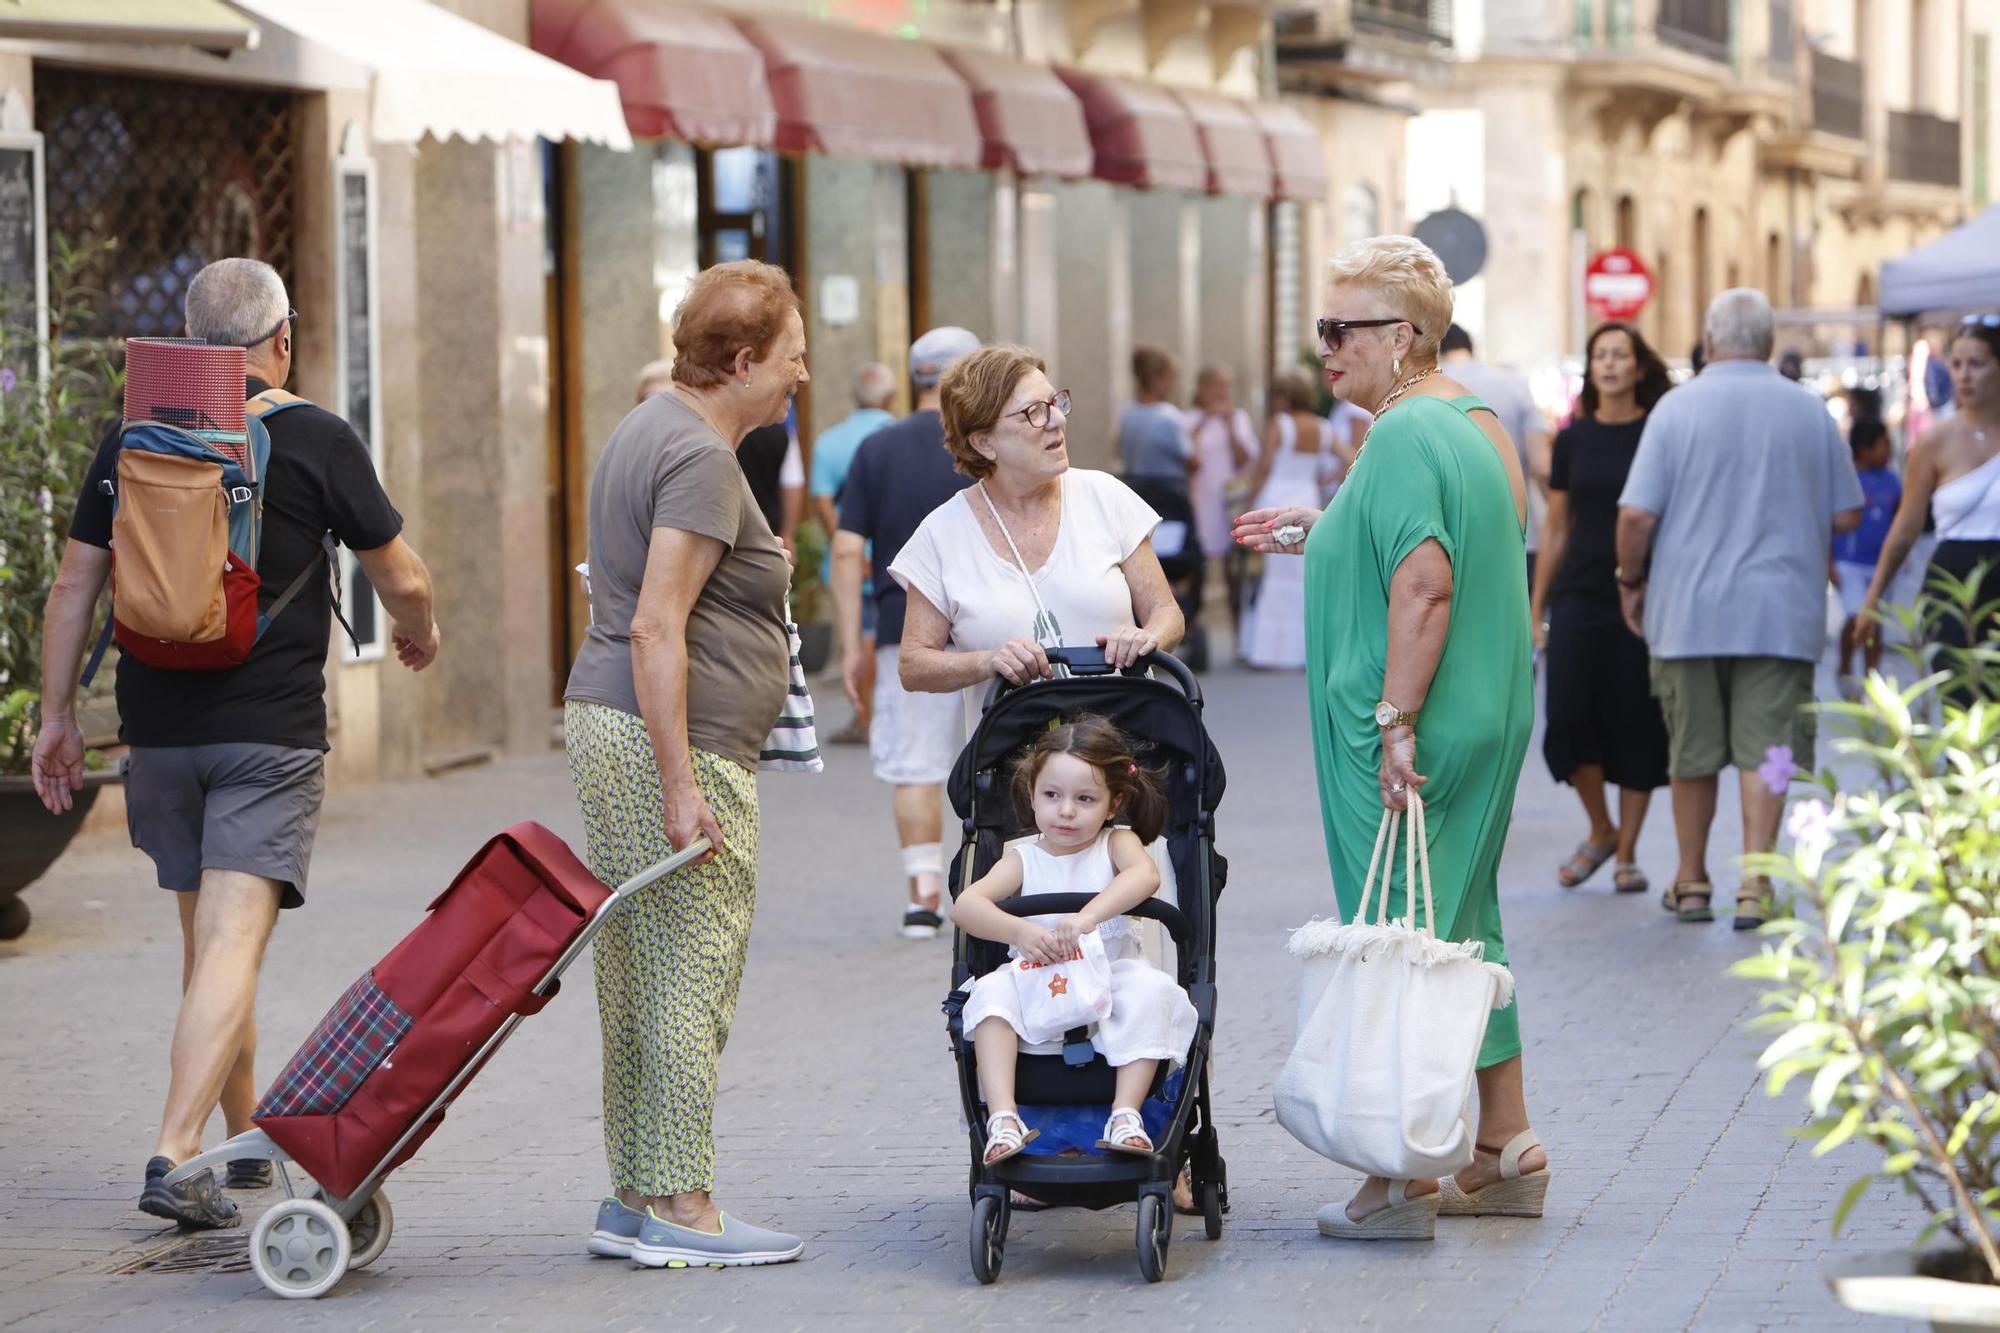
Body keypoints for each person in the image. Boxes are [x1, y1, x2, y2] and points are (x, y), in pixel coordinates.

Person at [31, 258, 439, 1229]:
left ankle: (242, 1148)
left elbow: (72, 587)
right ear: (282, 339)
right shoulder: (314, 438)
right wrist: (418, 632)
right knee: (230, 945)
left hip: (160, 735)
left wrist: (55, 717)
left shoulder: (132, 431)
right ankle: (174, 1149)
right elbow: (403, 575)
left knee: (211, 946)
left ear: (184, 336)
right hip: (267, 735)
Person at [1234, 234, 1546, 1242]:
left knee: (1397, 940)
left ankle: (1394, 1174)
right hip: (1482, 712)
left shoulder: (1404, 433)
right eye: (1317, 328)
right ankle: (1503, 1148)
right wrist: (1323, 527)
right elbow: (1459, 533)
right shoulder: (1465, 417)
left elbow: (1424, 578)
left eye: (1341, 329)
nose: (1323, 348)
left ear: (1404, 334)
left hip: (1418, 722)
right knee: (1458, 923)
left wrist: (1393, 719)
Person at [564, 258, 807, 1269]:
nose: (800, 376)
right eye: (791, 358)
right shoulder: (703, 457)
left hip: (618, 724)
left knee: (638, 967)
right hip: (674, 740)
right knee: (684, 971)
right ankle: (681, 1205)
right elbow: (656, 626)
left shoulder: (651, 424)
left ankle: (632, 1196)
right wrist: (679, 786)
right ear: (741, 360)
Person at [1614, 289, 1863, 928]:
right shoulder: (1807, 410)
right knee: (1770, 749)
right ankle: (1757, 883)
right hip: (1780, 610)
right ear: (1769, 340)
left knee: (1691, 750)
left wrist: (1629, 579)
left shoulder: (1675, 408)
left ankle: (1692, 881)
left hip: (1688, 609)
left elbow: (1637, 514)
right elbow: (1846, 512)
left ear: (1708, 337)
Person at [890, 345, 1185, 740]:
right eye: (1035, 412)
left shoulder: (1105, 496)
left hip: (1125, 758)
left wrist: (1146, 638)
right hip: (1011, 776)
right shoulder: (943, 533)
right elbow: (913, 664)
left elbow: (1167, 612)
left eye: (1056, 402)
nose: (1058, 420)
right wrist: (989, 661)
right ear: (984, 442)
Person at [952, 716, 1197, 1163]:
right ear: (1032, 796)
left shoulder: (1115, 843)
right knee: (988, 993)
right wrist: (1020, 930)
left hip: (1109, 978)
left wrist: (1088, 917)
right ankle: (1003, 1118)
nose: (1066, 811)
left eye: (1084, 799)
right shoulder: (1024, 857)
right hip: (1040, 976)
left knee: (1155, 990)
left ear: (1111, 803)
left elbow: (1145, 876)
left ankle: (1126, 1113)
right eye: (1052, 796)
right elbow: (967, 906)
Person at [831, 327, 981, 939]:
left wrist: (851, 643)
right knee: (1003, 761)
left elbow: (846, 551)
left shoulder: (878, 448)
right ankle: (994, 888)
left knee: (916, 768)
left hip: (903, 633)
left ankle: (923, 897)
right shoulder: (986, 444)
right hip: (991, 634)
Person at [1529, 322, 1673, 896]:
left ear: (1639, 367)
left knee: (1637, 718)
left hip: (1644, 592)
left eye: (1621, 355)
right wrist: (1534, 606)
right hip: (1579, 592)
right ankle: (1601, 827)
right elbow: (1557, 527)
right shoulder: (1572, 439)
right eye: (1601, 356)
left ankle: (1628, 854)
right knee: (1566, 716)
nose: (1610, 364)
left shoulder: (1657, 433)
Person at [1859, 315, 2000, 700]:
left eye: (1977, 364)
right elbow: (1906, 525)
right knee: (1961, 702)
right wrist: (1872, 602)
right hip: (1953, 584)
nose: (1964, 375)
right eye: (1956, 365)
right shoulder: (1935, 441)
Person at [811, 362, 898, 744]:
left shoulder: (829, 442)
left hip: (847, 557)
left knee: (861, 634)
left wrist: (848, 542)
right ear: (891, 397)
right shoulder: (898, 438)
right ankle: (877, 714)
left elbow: (822, 500)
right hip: (896, 558)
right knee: (882, 637)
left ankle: (864, 716)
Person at [1236, 374, 1345, 670]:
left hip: (1275, 499)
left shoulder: (1280, 424)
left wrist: (1248, 502)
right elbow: (1350, 458)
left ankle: (1271, 650)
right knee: (1302, 573)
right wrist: (1324, 481)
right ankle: (1303, 651)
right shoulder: (1323, 427)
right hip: (1305, 497)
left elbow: (1265, 465)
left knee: (1273, 574)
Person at [1441, 325, 1551, 587]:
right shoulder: (1514, 382)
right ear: (1471, 348)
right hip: (1518, 535)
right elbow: (1541, 465)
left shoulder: (1426, 386)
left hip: (1450, 539)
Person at [1833, 416, 1901, 684]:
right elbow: (1830, 521)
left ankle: (1872, 679)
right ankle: (1846, 666)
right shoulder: (1847, 478)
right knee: (1854, 615)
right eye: (1884, 444)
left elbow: (1899, 517)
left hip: (1881, 564)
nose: (1889, 450)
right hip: (1848, 562)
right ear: (1865, 449)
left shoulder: (1892, 480)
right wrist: (1829, 563)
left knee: (1875, 621)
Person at [1117, 345, 1196, 493]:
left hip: (1136, 492)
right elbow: (1193, 462)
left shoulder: (1128, 413)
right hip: (1168, 497)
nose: (1172, 386)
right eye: (1170, 379)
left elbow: (1119, 451)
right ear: (1156, 380)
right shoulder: (1168, 415)